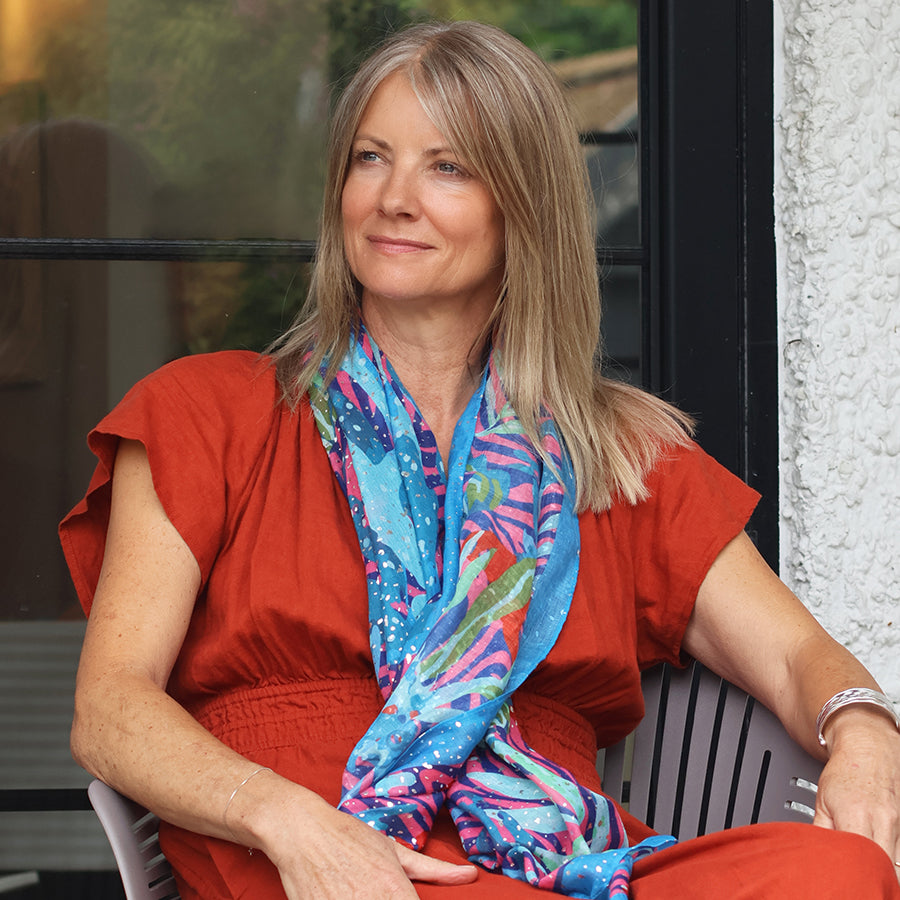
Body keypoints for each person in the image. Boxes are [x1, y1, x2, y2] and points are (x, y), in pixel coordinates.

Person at [62, 20, 900, 900]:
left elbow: (796, 656)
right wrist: (286, 819)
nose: (393, 197)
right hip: (310, 851)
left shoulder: (615, 456)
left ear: (524, 206)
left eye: (448, 166)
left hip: (546, 856)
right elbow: (109, 709)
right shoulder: (209, 414)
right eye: (370, 158)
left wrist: (866, 730)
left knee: (833, 870)